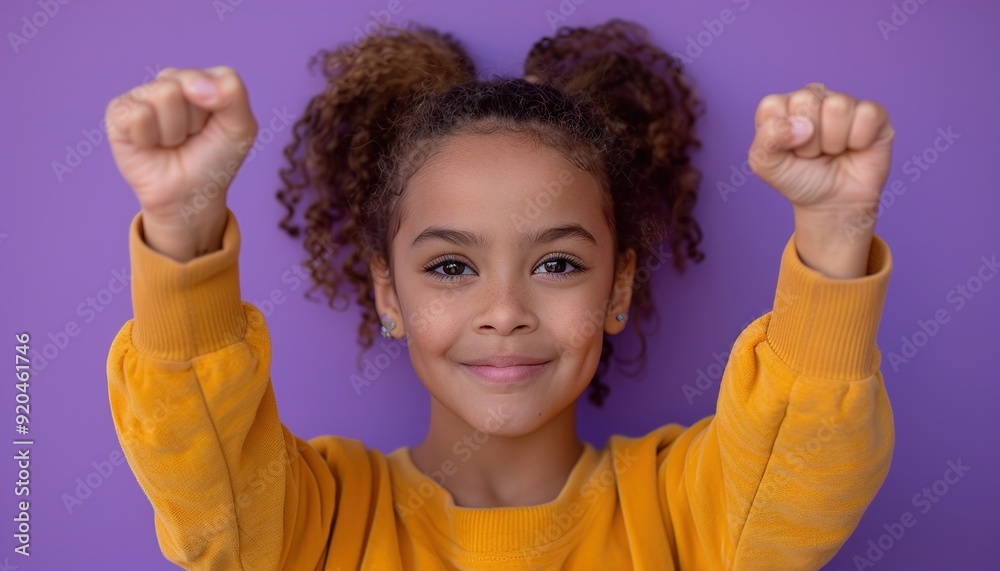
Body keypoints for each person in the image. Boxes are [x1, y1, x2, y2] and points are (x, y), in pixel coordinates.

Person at [105, 19, 894, 570]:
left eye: (557, 265)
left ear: (619, 287)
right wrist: (184, 227)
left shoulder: (693, 508)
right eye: (451, 267)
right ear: (388, 291)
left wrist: (833, 230)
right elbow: (200, 466)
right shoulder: (312, 520)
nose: (506, 309)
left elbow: (803, 465)